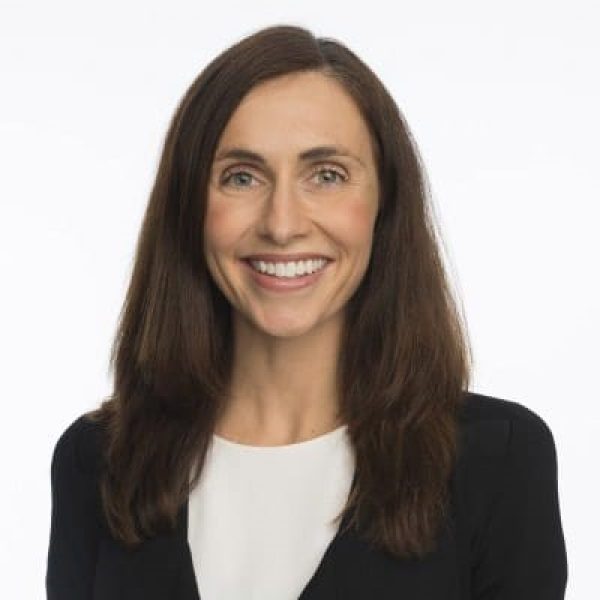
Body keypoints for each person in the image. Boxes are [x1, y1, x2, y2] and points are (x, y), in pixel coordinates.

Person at [45, 24, 568, 600]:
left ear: (384, 202)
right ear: (190, 206)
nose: (283, 223)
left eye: (327, 175)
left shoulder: (498, 460)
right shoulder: (98, 464)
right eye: (241, 176)